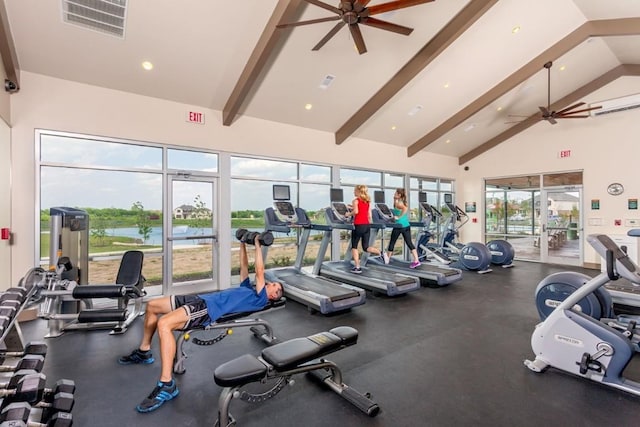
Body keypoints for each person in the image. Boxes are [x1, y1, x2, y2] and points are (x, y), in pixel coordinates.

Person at [118, 234, 283, 413]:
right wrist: (242, 243)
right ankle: (144, 351)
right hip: (199, 299)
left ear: (273, 296)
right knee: (152, 306)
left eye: (274, 285)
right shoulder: (249, 289)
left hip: (207, 309)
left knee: (164, 324)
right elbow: (244, 268)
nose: (270, 283)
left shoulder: (260, 299)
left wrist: (258, 244)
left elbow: (259, 271)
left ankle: (167, 384)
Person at [346, 184, 388, 273]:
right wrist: (352, 207)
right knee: (366, 247)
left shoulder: (355, 200)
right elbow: (369, 214)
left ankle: (357, 267)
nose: (353, 192)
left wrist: (348, 214)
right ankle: (381, 253)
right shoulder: (367, 201)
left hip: (358, 225)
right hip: (366, 226)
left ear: (358, 191)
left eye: (354, 190)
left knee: (354, 246)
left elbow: (356, 211)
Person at [385, 188, 421, 269]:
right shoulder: (399, 201)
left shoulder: (399, 203)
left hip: (399, 226)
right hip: (406, 225)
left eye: (396, 193)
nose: (394, 194)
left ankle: (387, 260)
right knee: (409, 243)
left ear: (399, 195)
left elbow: (405, 208)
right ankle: (416, 260)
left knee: (392, 242)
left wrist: (399, 217)